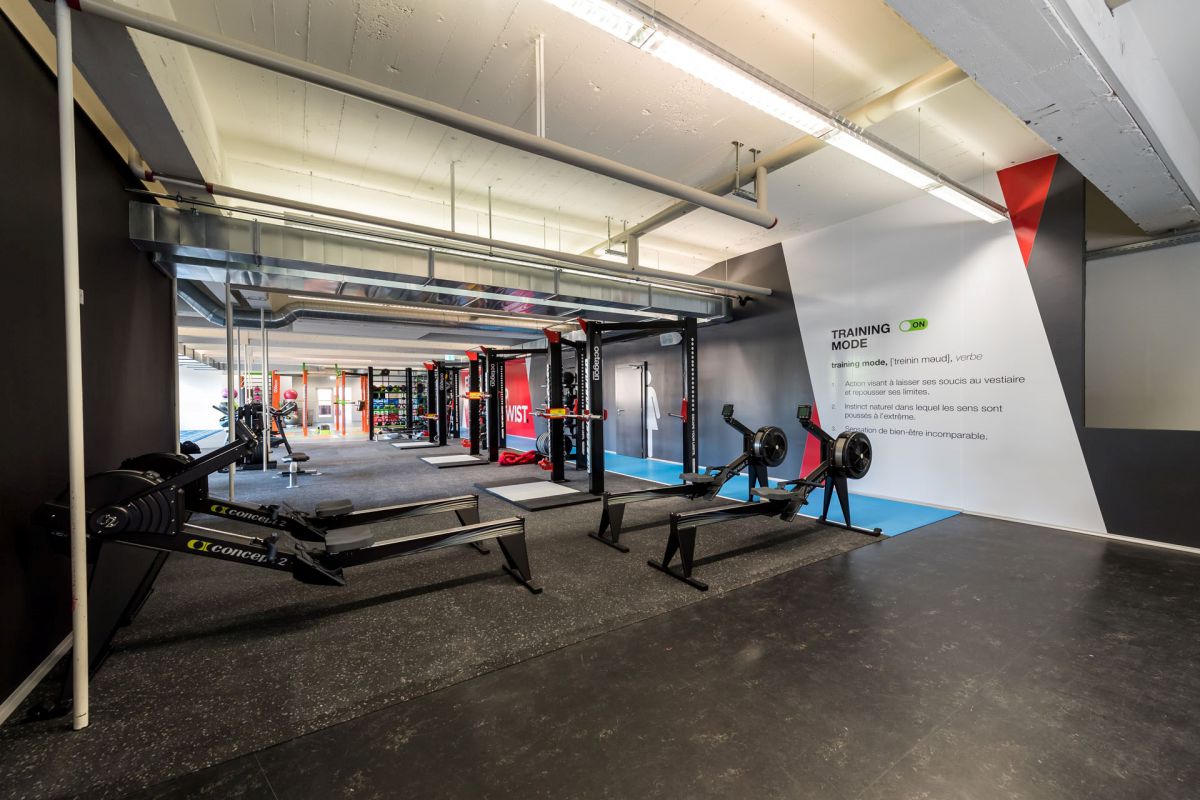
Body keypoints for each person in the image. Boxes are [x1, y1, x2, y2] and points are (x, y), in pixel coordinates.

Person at [645, 370, 660, 458]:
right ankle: (647, 453)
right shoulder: (648, 389)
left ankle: (649, 454)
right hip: (646, 415)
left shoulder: (651, 390)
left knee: (649, 432)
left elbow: (655, 402)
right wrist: (657, 415)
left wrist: (658, 415)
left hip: (650, 415)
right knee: (647, 432)